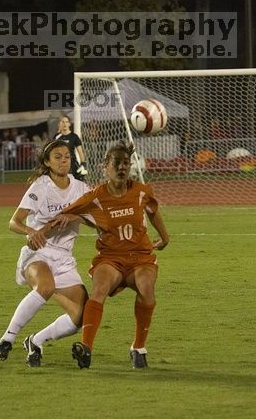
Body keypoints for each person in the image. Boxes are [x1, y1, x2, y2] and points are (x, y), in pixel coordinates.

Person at [59, 141, 170, 369]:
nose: (122, 167)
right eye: (116, 163)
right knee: (98, 290)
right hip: (110, 257)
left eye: (126, 163)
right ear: (105, 167)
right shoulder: (95, 196)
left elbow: (153, 212)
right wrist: (36, 231)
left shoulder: (141, 191)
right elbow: (67, 213)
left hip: (140, 257)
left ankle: (138, 348)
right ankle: (86, 348)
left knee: (147, 288)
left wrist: (165, 237)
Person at [0, 139, 91, 367]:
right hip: (38, 254)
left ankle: (35, 341)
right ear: (47, 162)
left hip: (64, 259)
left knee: (82, 316)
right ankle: (6, 340)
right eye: (58, 156)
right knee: (45, 287)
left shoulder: (81, 189)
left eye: (67, 156)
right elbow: (14, 222)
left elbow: (97, 219)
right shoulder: (41, 186)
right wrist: (30, 231)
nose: (64, 160)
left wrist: (75, 216)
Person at [54, 115, 88, 181]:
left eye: (66, 122)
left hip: (72, 165)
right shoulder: (56, 137)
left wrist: (83, 164)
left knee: (78, 184)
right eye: (62, 122)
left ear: (69, 124)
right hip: (60, 164)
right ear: (59, 124)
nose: (64, 124)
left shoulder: (74, 137)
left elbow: (80, 152)